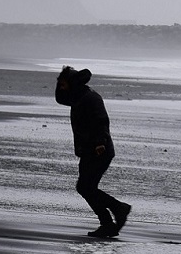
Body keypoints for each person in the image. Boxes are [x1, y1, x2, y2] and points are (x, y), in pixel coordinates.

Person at [55, 66, 131, 238]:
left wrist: (100, 143)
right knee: (86, 187)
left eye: (63, 84)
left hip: (100, 151)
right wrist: (62, 78)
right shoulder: (77, 97)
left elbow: (101, 121)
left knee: (85, 187)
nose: (61, 88)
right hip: (88, 151)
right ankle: (109, 221)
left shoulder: (91, 98)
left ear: (72, 84)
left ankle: (118, 210)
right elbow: (60, 99)